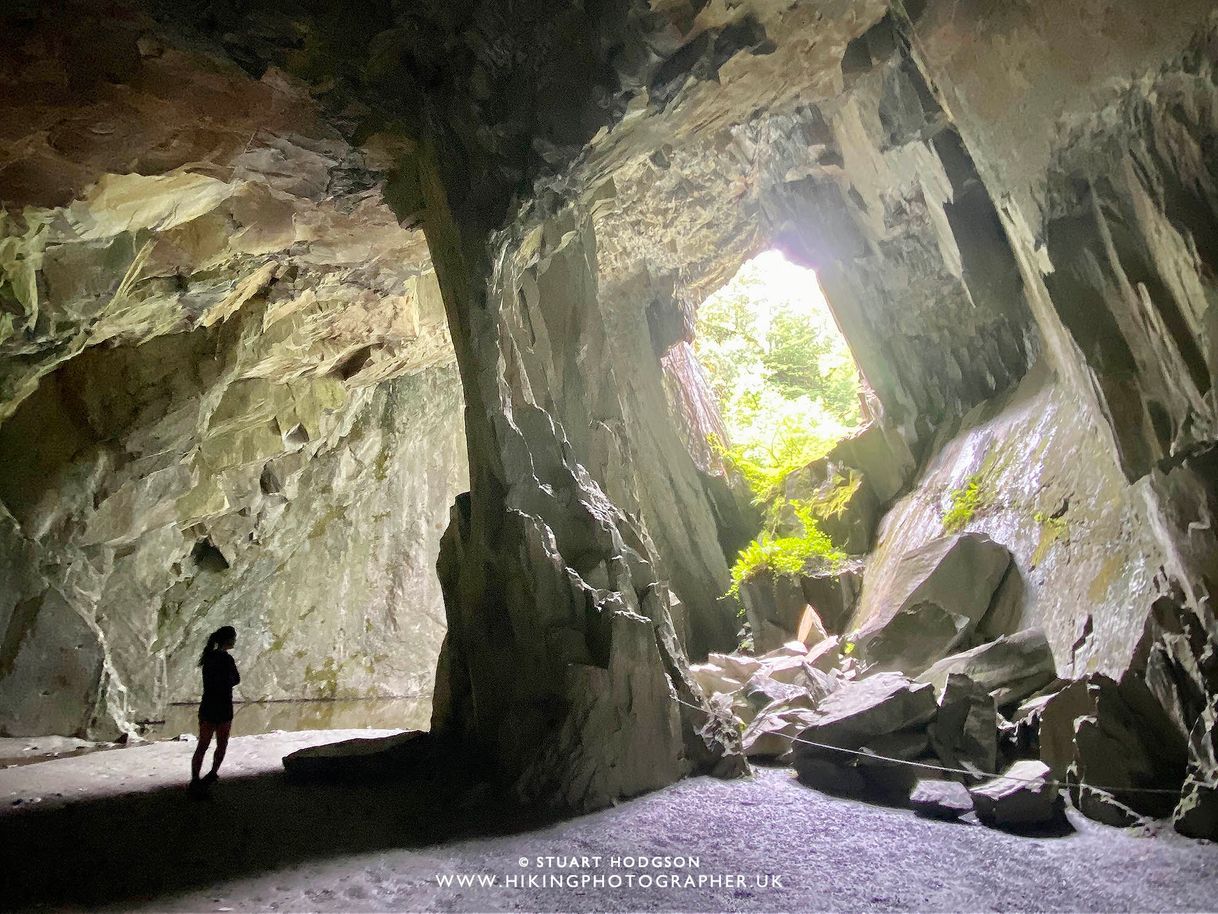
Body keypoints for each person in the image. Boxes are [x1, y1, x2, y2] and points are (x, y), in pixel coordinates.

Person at [191, 625, 240, 792]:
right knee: (222, 743)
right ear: (228, 640)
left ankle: (195, 778)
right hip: (224, 706)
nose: (235, 640)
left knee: (202, 745)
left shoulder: (208, 658)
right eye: (233, 638)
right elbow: (236, 679)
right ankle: (212, 773)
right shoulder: (227, 659)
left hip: (208, 706)